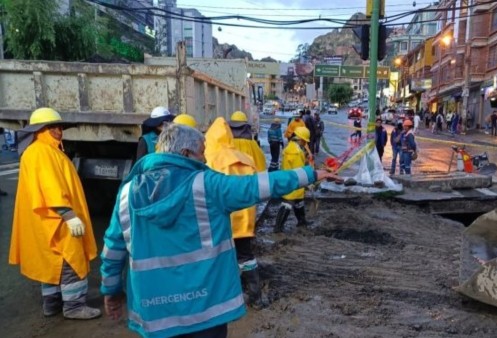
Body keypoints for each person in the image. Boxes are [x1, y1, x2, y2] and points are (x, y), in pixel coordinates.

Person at [101, 123, 338, 337]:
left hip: (155, 314)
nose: (204, 160)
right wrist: (312, 174)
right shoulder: (207, 185)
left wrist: (111, 290)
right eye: (201, 152)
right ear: (185, 154)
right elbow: (260, 185)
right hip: (206, 311)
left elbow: (112, 249)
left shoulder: (126, 193)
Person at [9, 108, 100, 320]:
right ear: (41, 130)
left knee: (51, 261)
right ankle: (74, 306)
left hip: (46, 220)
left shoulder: (39, 151)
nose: (58, 131)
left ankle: (52, 303)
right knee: (70, 260)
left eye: (59, 127)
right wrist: (68, 215)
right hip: (57, 219)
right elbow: (50, 187)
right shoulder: (42, 152)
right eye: (52, 127)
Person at [205, 117, 268, 309]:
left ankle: (225, 297)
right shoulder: (244, 158)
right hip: (245, 218)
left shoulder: (209, 159)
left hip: (221, 219)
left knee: (219, 256)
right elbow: (260, 182)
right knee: (245, 254)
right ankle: (255, 295)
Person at [274, 126, 314, 232]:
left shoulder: (290, 147)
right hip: (293, 181)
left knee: (299, 201)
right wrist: (307, 182)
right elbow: (298, 170)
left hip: (288, 177)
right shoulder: (296, 152)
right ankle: (278, 228)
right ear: (300, 139)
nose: (305, 144)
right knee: (287, 203)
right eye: (304, 142)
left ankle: (302, 221)